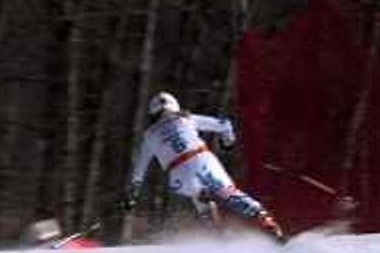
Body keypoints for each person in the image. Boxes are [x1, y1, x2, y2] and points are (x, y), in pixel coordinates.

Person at [121, 91, 285, 242]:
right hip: (202, 159)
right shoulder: (186, 118)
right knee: (230, 194)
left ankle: (216, 234)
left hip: (179, 175)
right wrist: (228, 141)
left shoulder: (150, 135)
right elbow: (224, 124)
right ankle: (266, 221)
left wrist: (132, 196)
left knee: (199, 195)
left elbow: (139, 170)